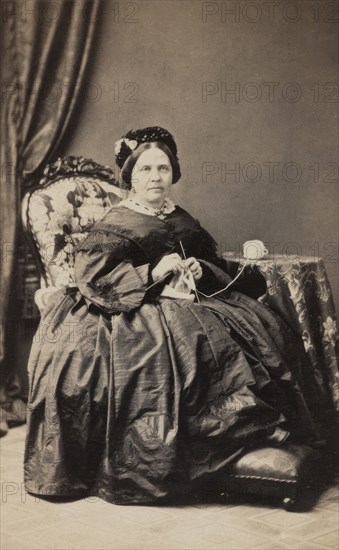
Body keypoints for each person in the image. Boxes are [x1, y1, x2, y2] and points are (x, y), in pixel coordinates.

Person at [24, 126, 318, 505]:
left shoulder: (180, 216)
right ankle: (193, 450)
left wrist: (201, 270)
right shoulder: (117, 222)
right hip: (128, 307)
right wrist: (152, 273)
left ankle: (256, 437)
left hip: (188, 299)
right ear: (130, 176)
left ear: (173, 172)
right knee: (180, 345)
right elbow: (93, 278)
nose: (155, 177)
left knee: (262, 325)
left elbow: (213, 262)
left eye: (162, 168)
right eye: (145, 169)